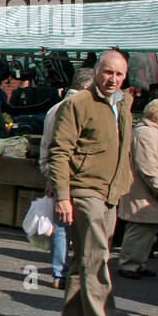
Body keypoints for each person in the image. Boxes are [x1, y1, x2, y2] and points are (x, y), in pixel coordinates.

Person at [47, 50, 133, 316]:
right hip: (86, 191)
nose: (113, 79)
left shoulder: (124, 104)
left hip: (110, 193)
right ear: (97, 71)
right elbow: (60, 151)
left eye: (119, 74)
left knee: (84, 258)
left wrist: (122, 188)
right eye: (108, 72)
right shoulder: (78, 103)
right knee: (97, 260)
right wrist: (63, 196)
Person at [39, 68, 96, 289]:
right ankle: (72, 272)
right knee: (79, 224)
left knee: (61, 225)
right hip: (75, 175)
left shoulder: (54, 108)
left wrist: (50, 176)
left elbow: (48, 146)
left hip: (55, 172)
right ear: (86, 87)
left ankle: (58, 273)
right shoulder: (79, 108)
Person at [117, 99, 158, 279]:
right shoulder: (145, 134)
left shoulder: (152, 133)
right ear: (157, 116)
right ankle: (129, 265)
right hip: (145, 194)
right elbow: (148, 166)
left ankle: (137, 263)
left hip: (148, 194)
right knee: (139, 230)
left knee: (146, 231)